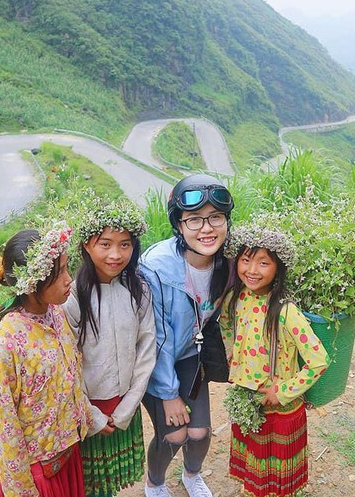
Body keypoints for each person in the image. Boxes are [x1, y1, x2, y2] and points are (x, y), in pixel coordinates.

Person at [0, 221, 107, 497]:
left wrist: (90, 418)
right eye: (59, 273)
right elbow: (5, 421)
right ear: (32, 285)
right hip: (39, 474)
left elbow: (71, 377)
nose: (69, 280)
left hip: (67, 456)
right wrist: (22, 489)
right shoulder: (8, 340)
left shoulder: (56, 314)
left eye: (66, 268)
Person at [139, 174, 235, 497]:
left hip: (192, 355)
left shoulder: (230, 261)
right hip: (156, 361)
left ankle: (191, 475)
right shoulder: (157, 268)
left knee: (200, 432)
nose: (207, 228)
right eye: (194, 220)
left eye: (215, 218)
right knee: (174, 435)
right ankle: (154, 482)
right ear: (178, 225)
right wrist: (168, 394)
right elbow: (155, 338)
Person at [219, 224, 331, 497]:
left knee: (278, 477)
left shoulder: (286, 312)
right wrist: (231, 347)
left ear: (278, 268)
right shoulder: (235, 297)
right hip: (248, 400)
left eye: (263, 263)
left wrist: (281, 392)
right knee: (254, 469)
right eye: (246, 260)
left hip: (279, 408)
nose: (252, 270)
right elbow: (225, 323)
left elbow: (319, 359)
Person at [62, 196, 156, 497]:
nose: (116, 254)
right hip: (88, 410)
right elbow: (67, 362)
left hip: (123, 406)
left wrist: (129, 405)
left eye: (125, 244)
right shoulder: (73, 296)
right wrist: (93, 416)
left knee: (108, 485)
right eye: (106, 244)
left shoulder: (139, 289)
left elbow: (146, 349)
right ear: (87, 245)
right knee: (89, 486)